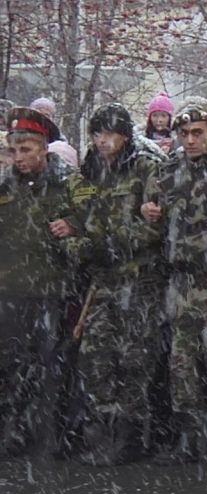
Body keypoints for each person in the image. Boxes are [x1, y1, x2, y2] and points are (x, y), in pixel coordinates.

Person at [138, 97, 207, 463]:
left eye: (197, 133)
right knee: (181, 363)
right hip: (180, 279)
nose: (190, 140)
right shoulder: (168, 170)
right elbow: (151, 212)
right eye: (184, 133)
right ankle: (189, 435)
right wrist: (147, 211)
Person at [70, 103, 168, 466]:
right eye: (96, 134)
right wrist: (86, 246)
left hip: (139, 277)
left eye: (108, 133)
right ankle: (104, 428)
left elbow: (155, 221)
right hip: (103, 278)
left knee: (135, 357)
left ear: (125, 135)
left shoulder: (145, 166)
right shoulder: (91, 169)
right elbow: (76, 216)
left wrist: (118, 243)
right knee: (95, 354)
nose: (101, 141)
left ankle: (131, 436)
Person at [0, 107, 78, 457]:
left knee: (52, 366)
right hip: (12, 292)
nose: (19, 158)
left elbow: (92, 224)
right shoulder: (5, 186)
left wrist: (74, 226)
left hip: (53, 290)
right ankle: (14, 431)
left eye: (26, 150)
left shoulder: (68, 183)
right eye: (14, 150)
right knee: (12, 365)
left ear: (44, 147)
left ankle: (52, 436)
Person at [30, 97, 78, 168]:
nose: (42, 119)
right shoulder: (23, 137)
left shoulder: (59, 142)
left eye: (46, 115)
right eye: (38, 115)